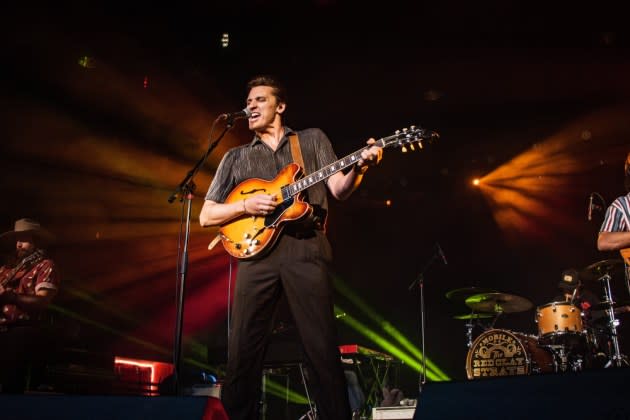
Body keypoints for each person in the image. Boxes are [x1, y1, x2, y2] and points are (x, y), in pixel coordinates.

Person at [199, 75, 383, 420]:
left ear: (280, 106)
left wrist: (359, 166)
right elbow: (207, 215)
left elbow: (339, 190)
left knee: (321, 349)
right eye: (248, 101)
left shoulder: (311, 141)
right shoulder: (236, 158)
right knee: (242, 353)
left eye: (259, 100)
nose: (250, 106)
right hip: (256, 255)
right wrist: (244, 207)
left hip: (305, 248)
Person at [0, 218, 61, 393]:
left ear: (37, 242)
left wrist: (10, 296)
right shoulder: (5, 269)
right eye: (17, 240)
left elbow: (42, 302)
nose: (19, 244)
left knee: (11, 386)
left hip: (22, 332)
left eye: (25, 240)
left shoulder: (45, 265)